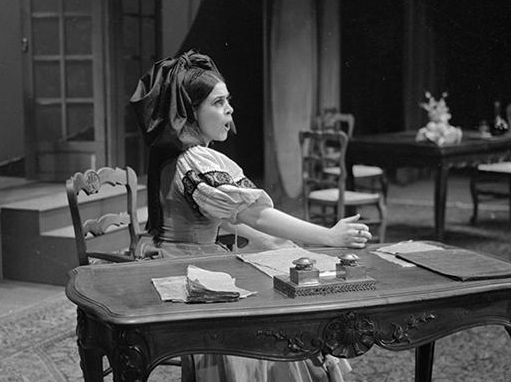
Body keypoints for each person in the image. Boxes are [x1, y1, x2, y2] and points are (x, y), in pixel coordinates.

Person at [130, 49, 368, 382]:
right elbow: (254, 215)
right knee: (269, 325)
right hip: (185, 265)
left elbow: (229, 217)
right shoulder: (194, 159)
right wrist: (329, 235)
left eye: (227, 101)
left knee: (278, 277)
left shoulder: (181, 153)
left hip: (184, 255)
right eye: (217, 103)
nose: (229, 110)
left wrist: (278, 245)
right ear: (190, 112)